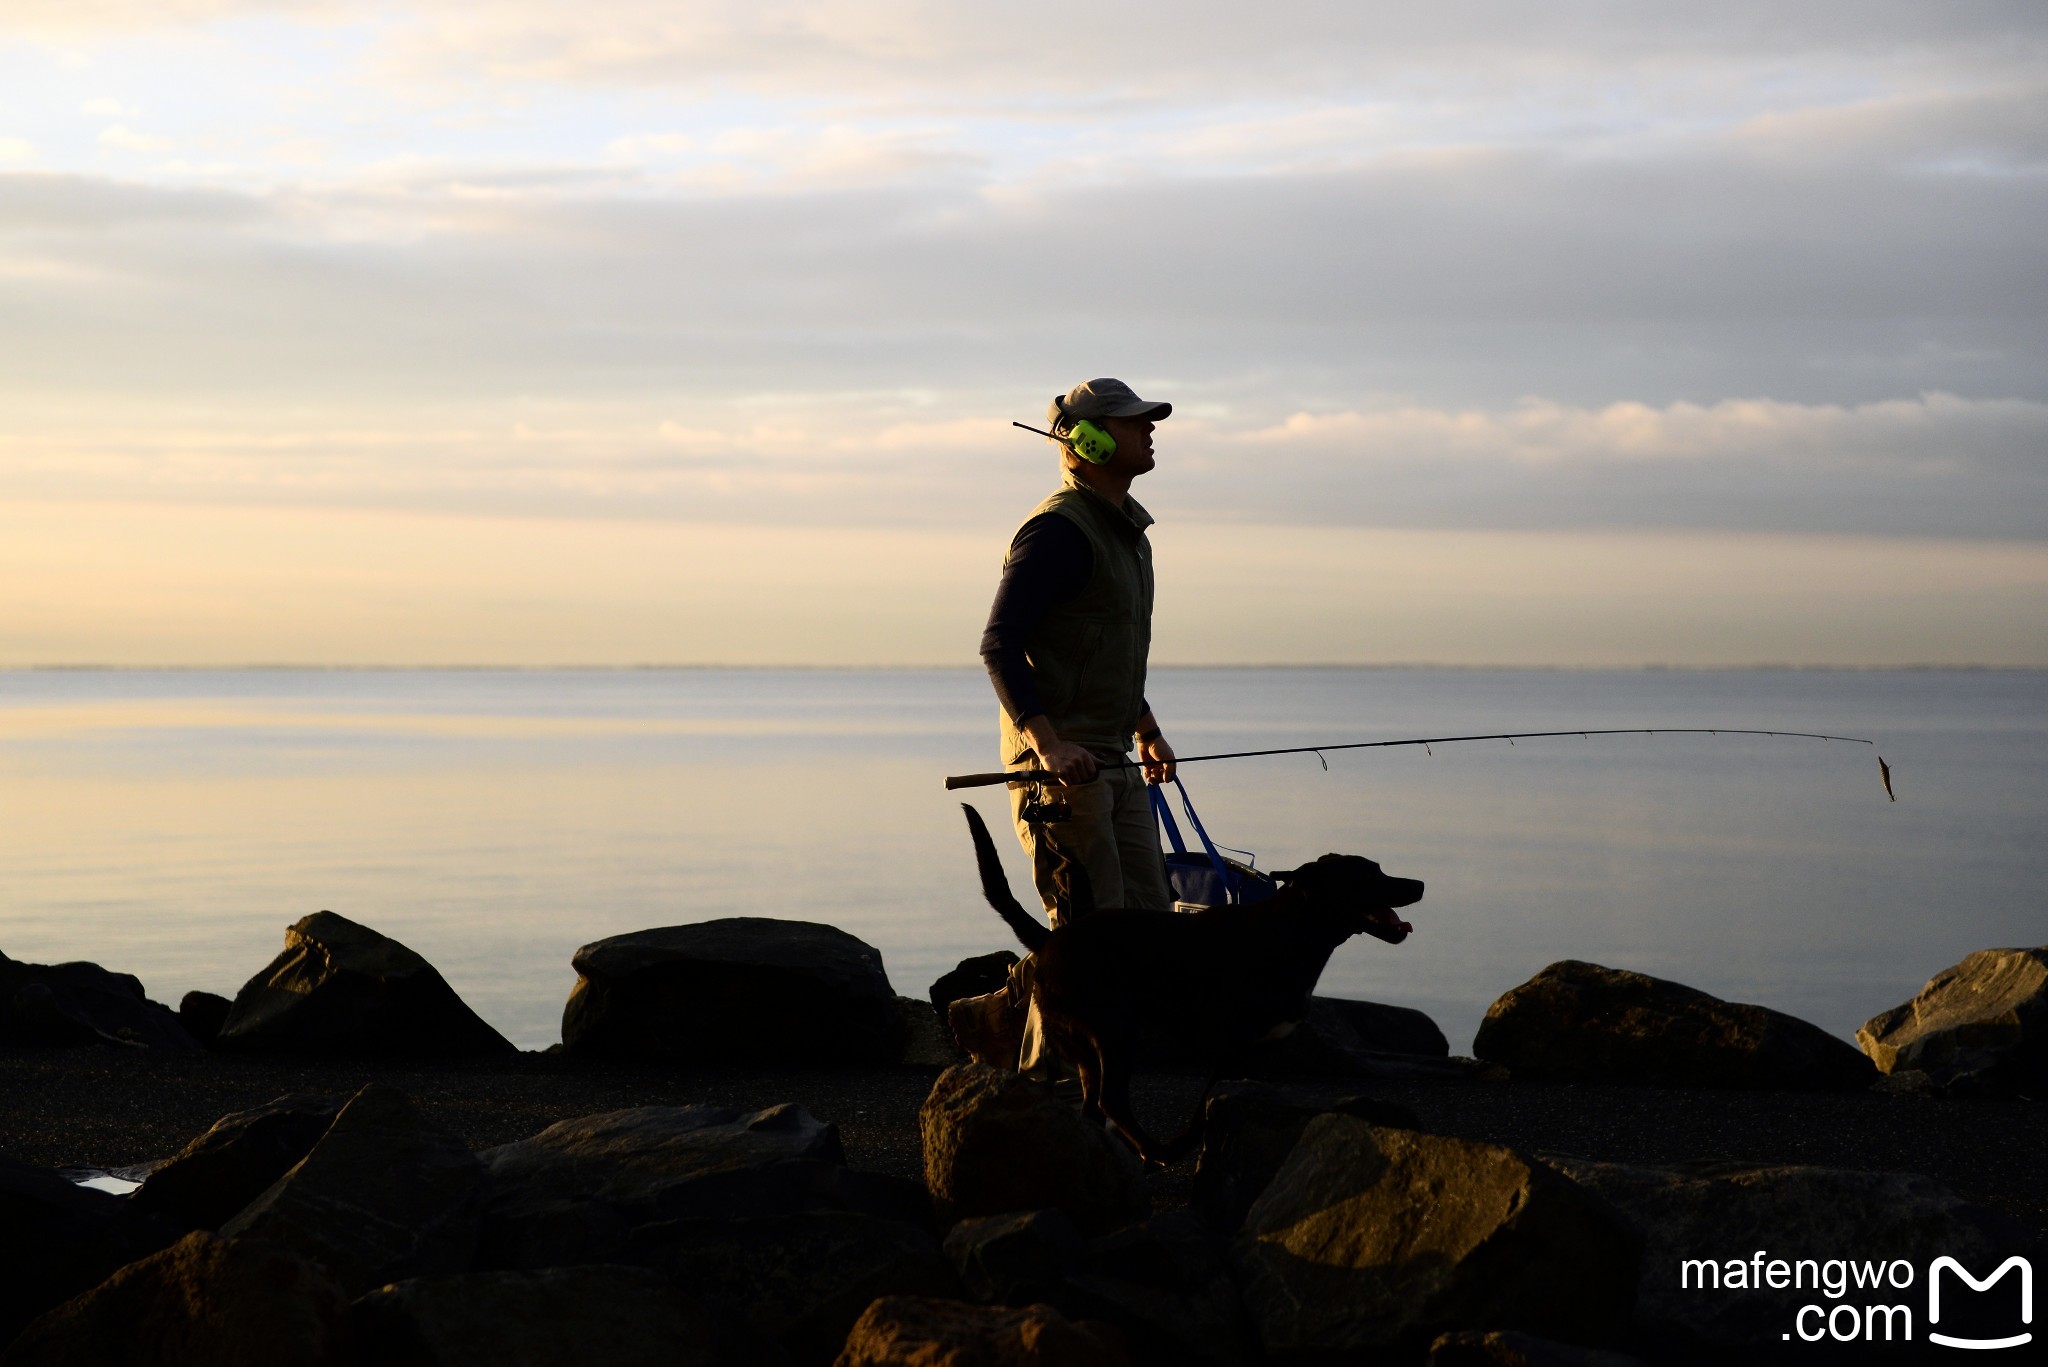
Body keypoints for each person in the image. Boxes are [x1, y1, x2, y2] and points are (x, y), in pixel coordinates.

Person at [979, 377, 1179, 926]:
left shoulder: (1130, 536)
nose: (1150, 428)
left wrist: (1148, 731)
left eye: (1149, 419)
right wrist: (1048, 747)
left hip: (1115, 760)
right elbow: (999, 643)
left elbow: (1103, 651)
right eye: (1133, 420)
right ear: (1085, 439)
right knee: (1090, 939)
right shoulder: (1055, 532)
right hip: (1063, 772)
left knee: (1151, 925)